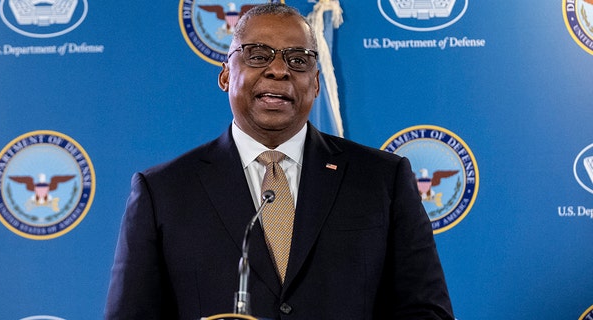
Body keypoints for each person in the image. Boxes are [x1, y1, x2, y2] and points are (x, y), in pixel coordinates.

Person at [105, 3, 454, 320]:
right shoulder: (163, 192)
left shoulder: (383, 180)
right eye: (257, 55)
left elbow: (426, 312)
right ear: (226, 75)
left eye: (298, 59)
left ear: (315, 83)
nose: (278, 70)